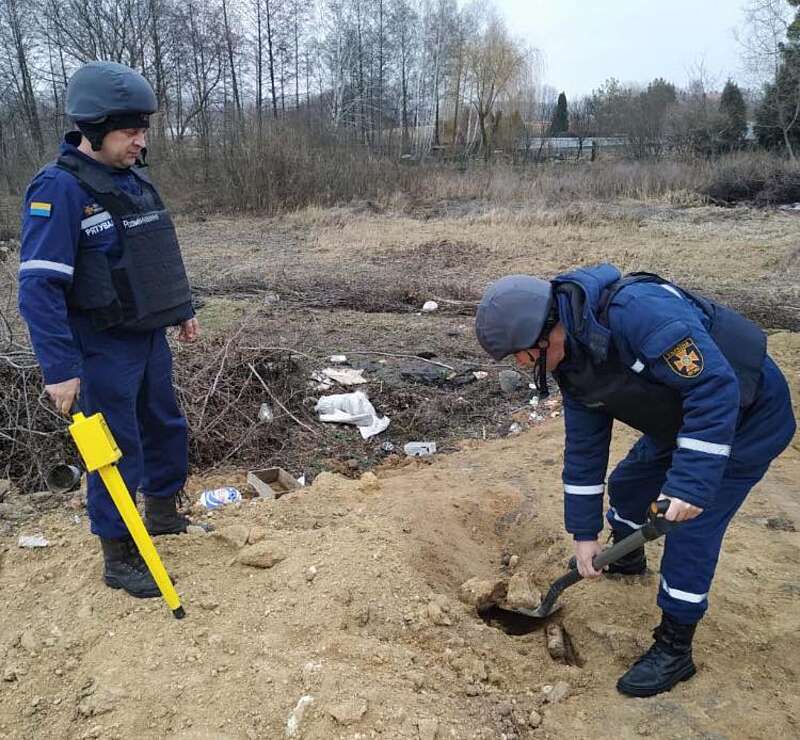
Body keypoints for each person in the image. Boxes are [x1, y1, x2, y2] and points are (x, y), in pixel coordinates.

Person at [475, 264, 796, 697]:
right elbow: (586, 450)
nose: (520, 363)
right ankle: (625, 557)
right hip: (681, 416)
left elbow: (714, 388)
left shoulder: (641, 314)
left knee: (690, 526)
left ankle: (675, 648)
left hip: (747, 412)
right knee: (629, 486)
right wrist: (584, 534)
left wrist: (689, 485)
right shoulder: (573, 361)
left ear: (547, 331)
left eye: (520, 353)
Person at [18, 61, 199, 599]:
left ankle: (163, 513)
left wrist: (182, 307)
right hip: (98, 346)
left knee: (165, 424)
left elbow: (157, 253)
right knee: (115, 449)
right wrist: (60, 369)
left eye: (143, 129)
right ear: (93, 130)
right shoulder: (59, 189)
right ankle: (119, 554)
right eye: (129, 131)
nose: (140, 141)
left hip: (147, 335)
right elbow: (38, 288)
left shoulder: (133, 179)